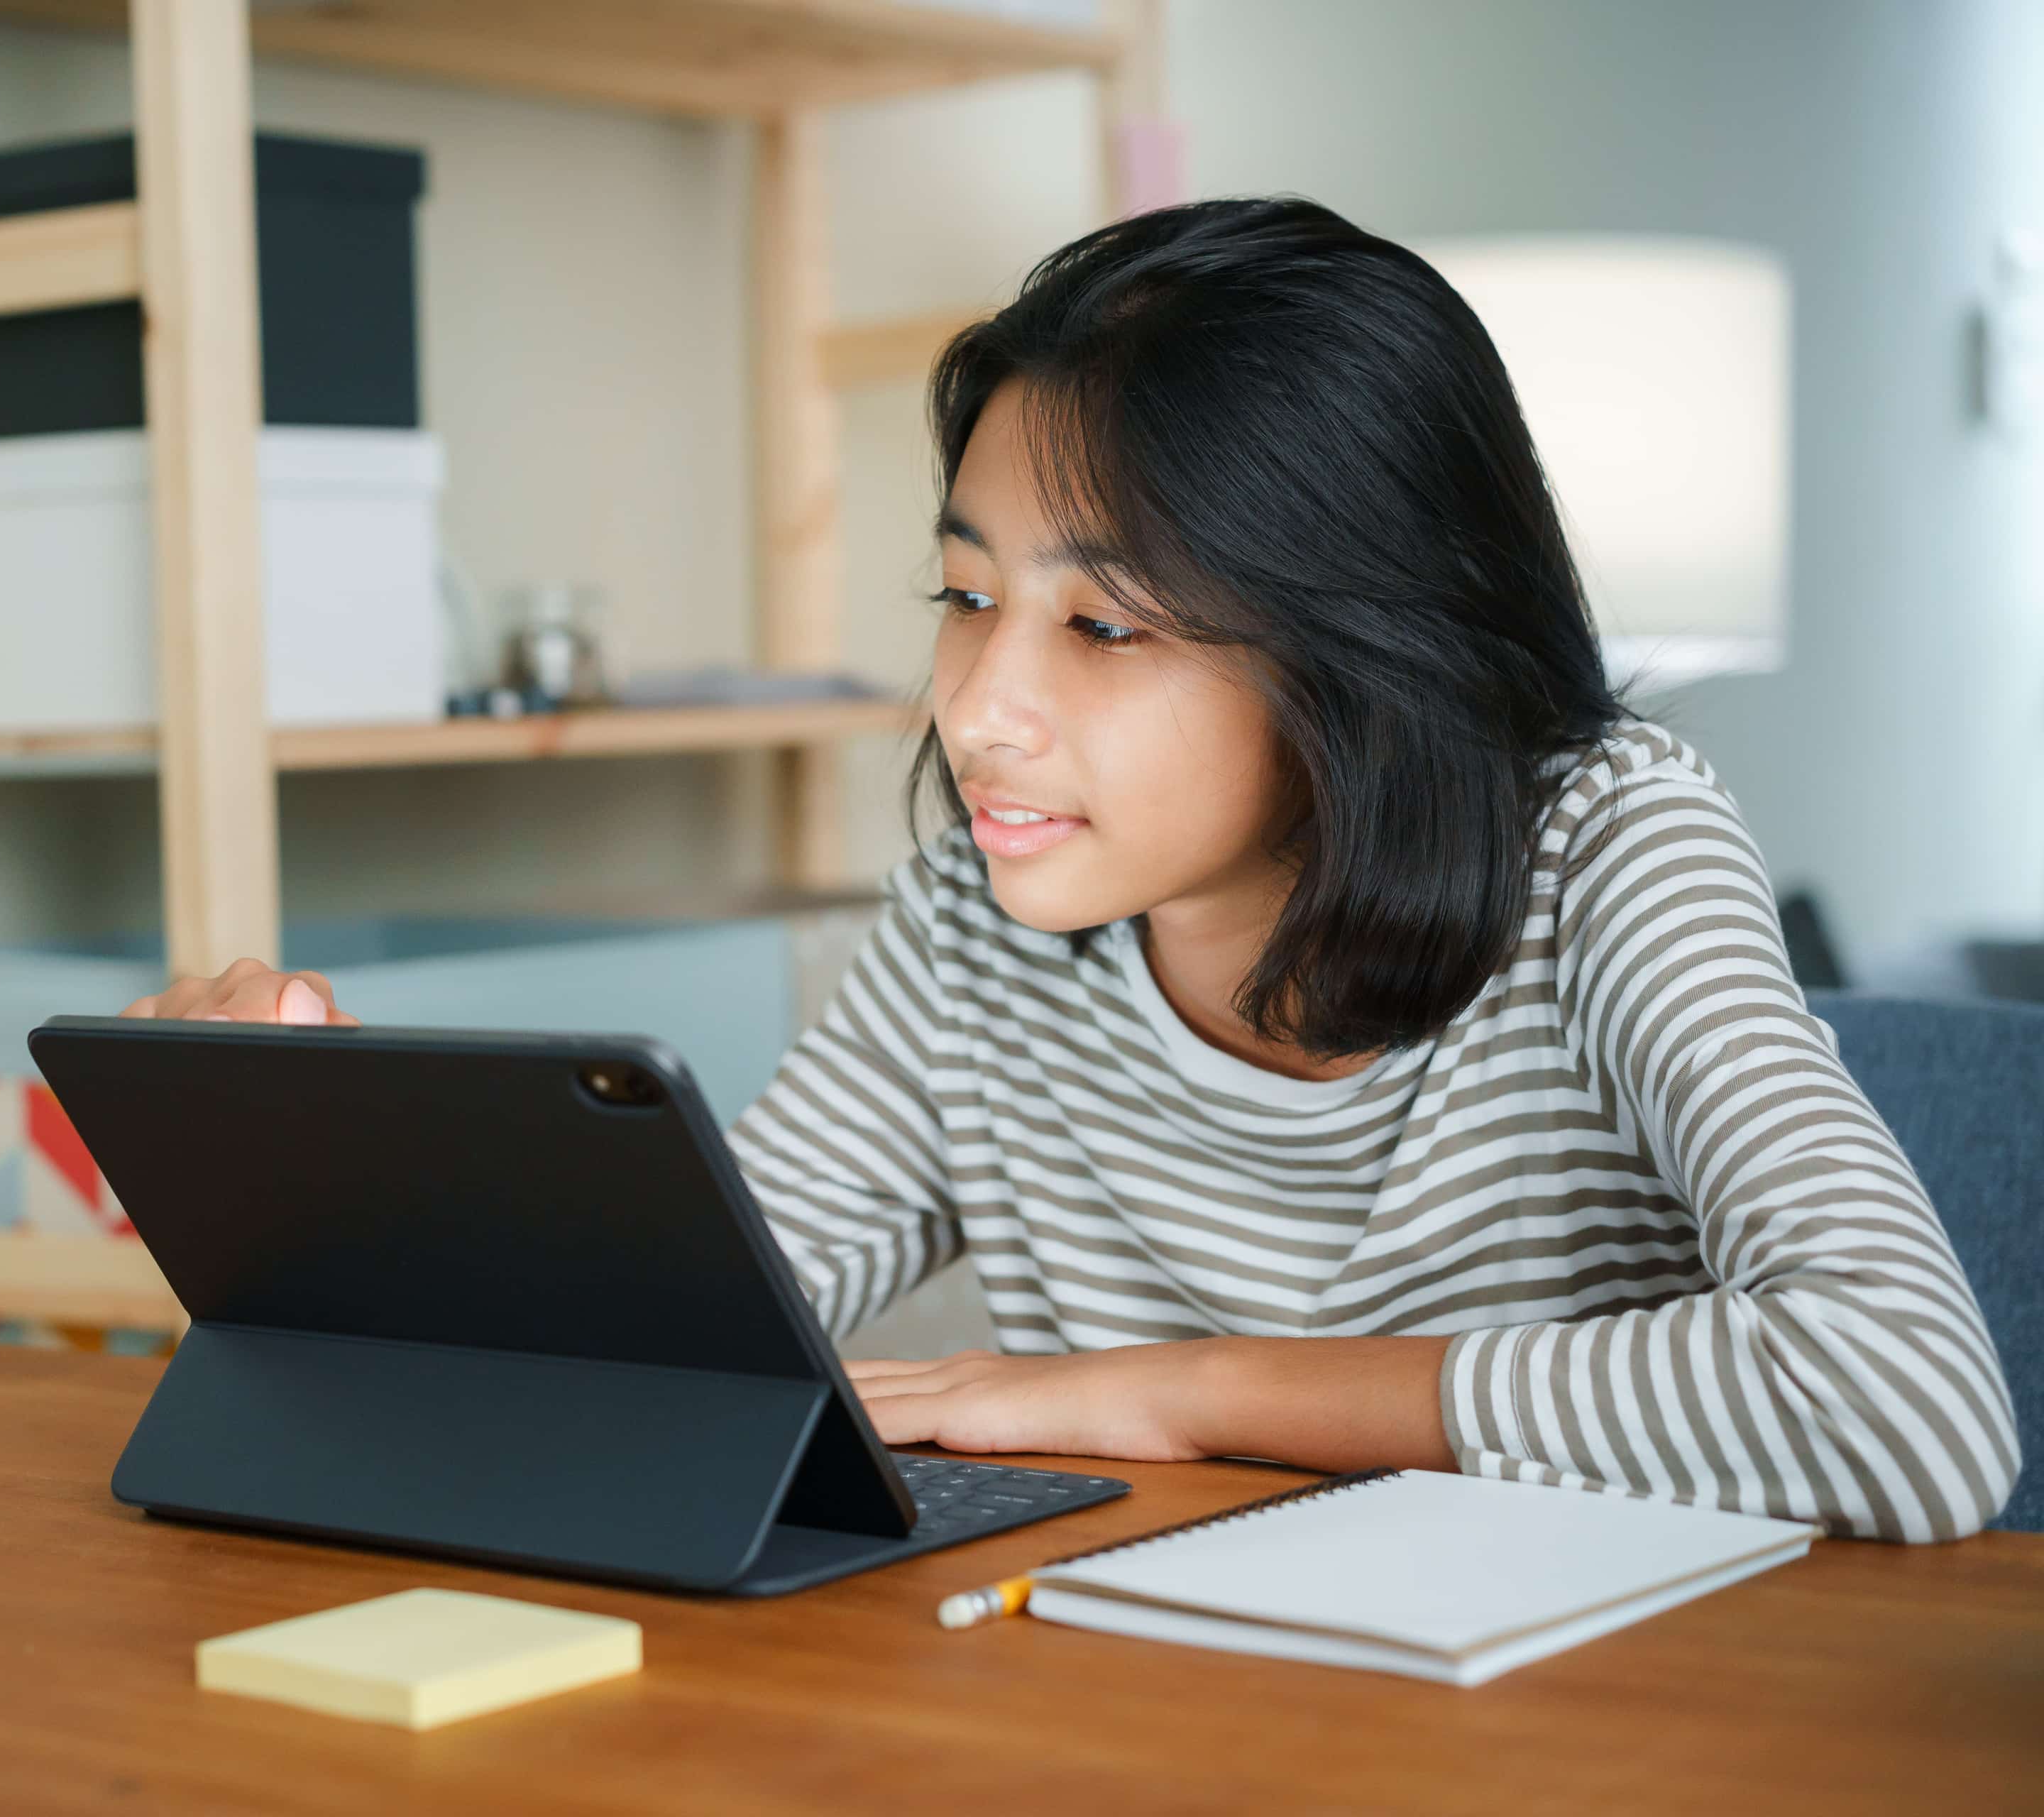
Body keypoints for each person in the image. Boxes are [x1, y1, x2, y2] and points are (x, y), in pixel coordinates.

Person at [124, 198, 2017, 1542]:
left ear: (1373, 651)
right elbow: (680, 1327)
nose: (978, 709)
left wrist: (1179, 1387)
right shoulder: (984, 921)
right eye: (962, 598)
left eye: (1102, 631)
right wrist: (304, 1172)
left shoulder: (1611, 846)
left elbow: (1911, 1410)